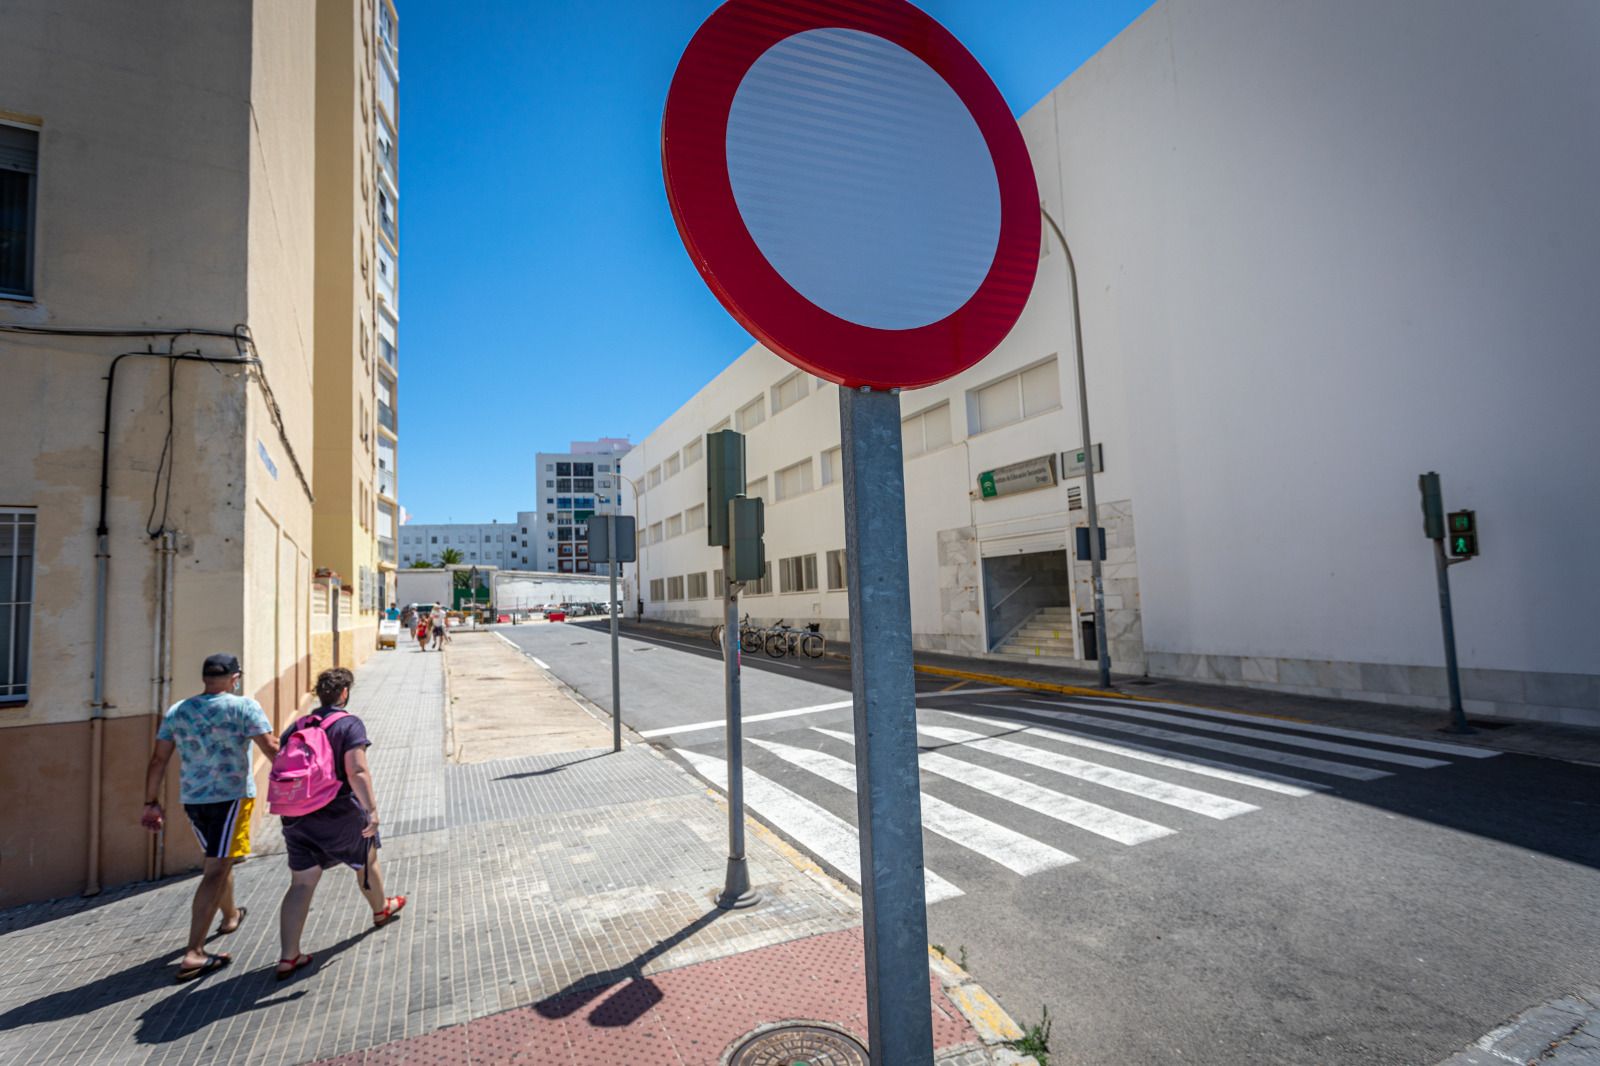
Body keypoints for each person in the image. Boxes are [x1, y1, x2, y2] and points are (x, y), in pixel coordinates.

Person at [142, 653, 279, 982]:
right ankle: (194, 953)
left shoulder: (179, 710)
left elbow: (159, 759)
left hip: (194, 800)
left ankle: (230, 915)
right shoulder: (243, 707)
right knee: (217, 868)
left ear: (206, 678)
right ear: (235, 677)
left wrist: (150, 802)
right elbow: (271, 748)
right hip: (230, 798)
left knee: (220, 858)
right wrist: (301, 784)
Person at [274, 667, 406, 979]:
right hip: (336, 811)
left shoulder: (296, 726)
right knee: (365, 859)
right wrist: (371, 810)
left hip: (295, 815)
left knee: (302, 882)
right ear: (344, 693)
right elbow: (357, 771)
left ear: (319, 695)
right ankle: (380, 909)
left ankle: (288, 956)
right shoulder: (348, 724)